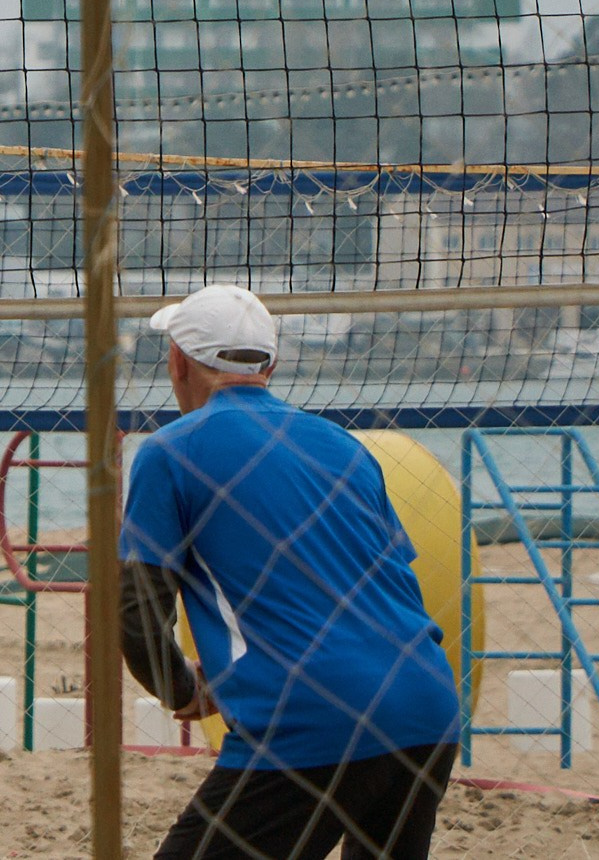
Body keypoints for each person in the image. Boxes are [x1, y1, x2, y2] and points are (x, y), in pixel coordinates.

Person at [118, 283, 461, 860]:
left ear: (176, 362)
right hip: (424, 704)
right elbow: (391, 581)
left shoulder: (170, 452)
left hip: (310, 717)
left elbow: (136, 612)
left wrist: (180, 688)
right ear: (269, 367)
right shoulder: (344, 447)